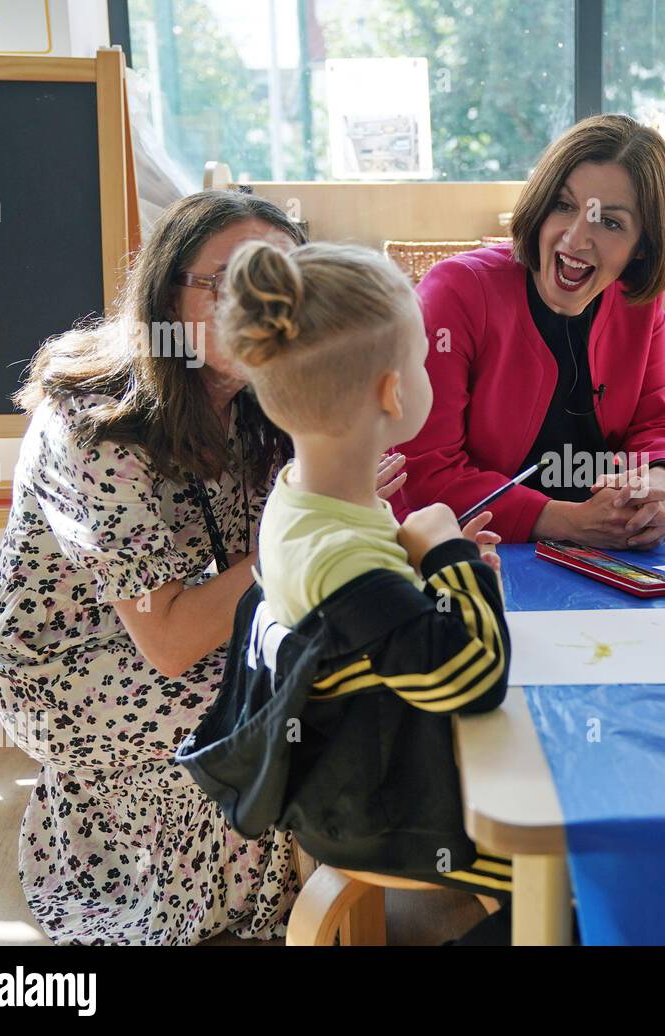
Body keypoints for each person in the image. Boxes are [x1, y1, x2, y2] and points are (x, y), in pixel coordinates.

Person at [0, 191, 380, 945]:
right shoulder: (90, 422)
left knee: (338, 671)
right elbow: (171, 644)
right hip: (71, 655)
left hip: (195, 617)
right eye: (229, 281)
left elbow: (296, 558)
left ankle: (341, 881)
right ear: (166, 293)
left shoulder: (265, 397)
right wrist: (310, 527)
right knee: (271, 707)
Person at [177, 240, 513, 911]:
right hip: (391, 813)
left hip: (366, 772)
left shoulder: (303, 495)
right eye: (421, 360)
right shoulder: (340, 557)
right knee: (583, 864)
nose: (428, 373)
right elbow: (476, 680)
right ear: (391, 392)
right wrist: (449, 556)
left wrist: (433, 574)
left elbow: (385, 627)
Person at [396, 114, 665, 548]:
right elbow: (424, 470)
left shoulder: (638, 301)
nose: (576, 238)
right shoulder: (457, 289)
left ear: (643, 248)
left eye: (611, 222)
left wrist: (660, 485)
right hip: (479, 514)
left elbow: (656, 423)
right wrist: (567, 521)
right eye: (564, 205)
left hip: (595, 500)